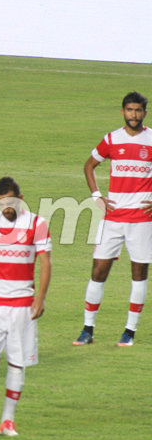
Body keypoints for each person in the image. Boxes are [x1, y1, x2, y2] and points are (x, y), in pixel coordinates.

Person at [0, 177, 51, 437]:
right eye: (1, 203)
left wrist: (40, 297)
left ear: (21, 197)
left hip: (22, 306)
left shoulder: (37, 224)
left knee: (17, 363)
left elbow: (45, 262)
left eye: (10, 201)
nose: (6, 207)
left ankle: (8, 420)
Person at [73, 91, 152, 347]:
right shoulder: (111, 139)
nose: (133, 115)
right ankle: (87, 330)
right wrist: (96, 195)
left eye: (138, 110)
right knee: (98, 271)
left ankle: (129, 332)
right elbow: (88, 165)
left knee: (138, 273)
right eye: (129, 110)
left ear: (145, 113)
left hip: (142, 219)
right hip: (113, 218)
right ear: (122, 112)